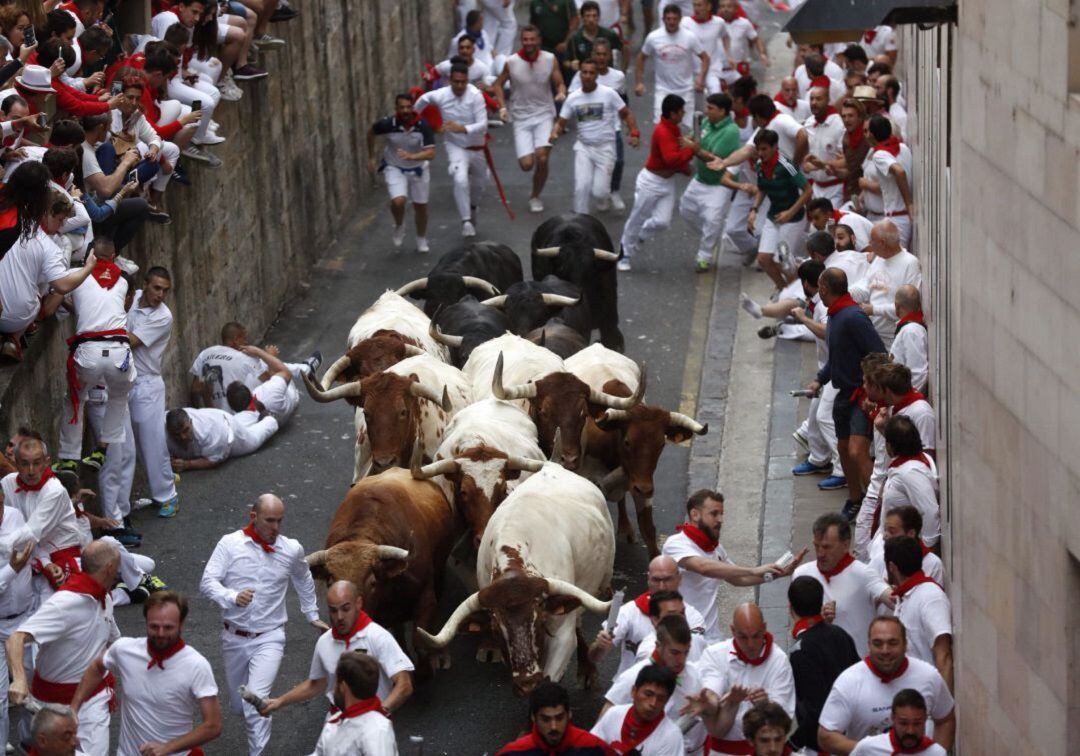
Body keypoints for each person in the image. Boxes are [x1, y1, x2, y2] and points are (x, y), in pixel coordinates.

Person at [199, 494, 326, 755]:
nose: (276, 528)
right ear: (253, 516)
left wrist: (311, 614)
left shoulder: (291, 549)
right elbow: (207, 582)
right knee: (238, 705)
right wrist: (232, 597)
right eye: (270, 521)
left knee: (255, 704)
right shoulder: (230, 544)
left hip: (270, 637)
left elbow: (303, 578)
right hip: (233, 638)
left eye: (280, 521)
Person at [71, 590, 222, 756]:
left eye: (168, 627)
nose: (161, 634)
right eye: (154, 626)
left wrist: (167, 747)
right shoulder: (124, 649)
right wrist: (74, 708)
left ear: (181, 624)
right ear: (146, 622)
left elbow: (213, 726)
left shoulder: (196, 665)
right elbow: (97, 666)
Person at [5, 540, 121, 755]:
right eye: (118, 566)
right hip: (50, 704)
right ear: (110, 568)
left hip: (93, 699)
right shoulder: (64, 603)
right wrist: (20, 679)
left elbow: (113, 641)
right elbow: (16, 637)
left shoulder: (104, 597)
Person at [260, 580, 414, 718]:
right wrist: (280, 702)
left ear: (358, 603)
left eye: (345, 609)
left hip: (373, 729)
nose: (339, 616)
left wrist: (379, 713)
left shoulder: (378, 636)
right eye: (333, 610)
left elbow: (404, 684)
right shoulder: (324, 642)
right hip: (336, 724)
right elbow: (316, 684)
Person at [662, 489, 799, 642]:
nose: (720, 520)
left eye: (721, 514)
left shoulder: (716, 549)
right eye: (714, 514)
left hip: (712, 638)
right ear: (695, 515)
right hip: (682, 638)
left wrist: (776, 574)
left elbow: (737, 579)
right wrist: (753, 570)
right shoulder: (675, 544)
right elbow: (703, 567)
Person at [808, 267, 886, 511]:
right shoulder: (835, 315)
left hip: (860, 397)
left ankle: (879, 506)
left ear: (823, 288)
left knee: (857, 451)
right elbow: (838, 357)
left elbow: (879, 353)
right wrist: (820, 379)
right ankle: (855, 500)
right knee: (843, 450)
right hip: (843, 395)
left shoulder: (853, 316)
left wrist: (871, 391)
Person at [818, 617, 955, 754]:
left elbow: (945, 719)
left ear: (905, 645)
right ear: (869, 645)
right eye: (878, 644)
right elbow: (826, 736)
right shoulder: (848, 681)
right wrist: (870, 752)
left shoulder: (928, 676)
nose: (885, 650)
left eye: (893, 643)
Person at [0, 187, 97, 359]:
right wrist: (88, 267)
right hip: (15, 317)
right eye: (60, 220)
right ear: (46, 213)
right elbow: (63, 285)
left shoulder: (14, 221)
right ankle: (14, 338)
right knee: (40, 295)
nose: (61, 226)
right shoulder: (49, 247)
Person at [695, 603, 796, 755]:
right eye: (743, 637)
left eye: (756, 636)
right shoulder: (714, 654)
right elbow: (712, 689)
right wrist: (713, 702)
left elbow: (783, 721)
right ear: (732, 630)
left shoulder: (779, 660)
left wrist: (766, 705)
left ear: (764, 628)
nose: (750, 644)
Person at [792, 513, 893, 656]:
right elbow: (797, 627)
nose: (820, 554)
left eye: (827, 547)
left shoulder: (864, 574)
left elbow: (892, 599)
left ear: (846, 545)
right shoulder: (801, 575)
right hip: (819, 666)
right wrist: (817, 621)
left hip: (857, 667)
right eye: (817, 546)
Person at [124, 265, 181, 518]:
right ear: (145, 284)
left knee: (152, 442)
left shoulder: (163, 317)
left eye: (165, 291)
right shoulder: (132, 296)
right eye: (157, 288)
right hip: (125, 380)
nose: (160, 295)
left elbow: (131, 342)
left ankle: (167, 495)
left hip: (147, 384)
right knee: (126, 446)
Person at [601, 614, 704, 752]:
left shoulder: (696, 674)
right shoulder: (633, 676)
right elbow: (605, 720)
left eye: (686, 652)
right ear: (658, 646)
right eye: (675, 653)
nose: (681, 660)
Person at [588, 555, 706, 676]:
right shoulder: (628, 612)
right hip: (633, 687)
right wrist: (600, 646)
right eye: (656, 580)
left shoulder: (693, 619)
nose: (662, 587)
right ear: (648, 579)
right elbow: (595, 657)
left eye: (667, 579)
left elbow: (695, 659)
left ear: (679, 579)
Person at [549, 57, 638, 214]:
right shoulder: (574, 98)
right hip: (584, 148)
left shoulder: (609, 94)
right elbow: (561, 121)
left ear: (597, 75)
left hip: (605, 148)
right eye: (584, 72)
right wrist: (554, 132)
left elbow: (626, 113)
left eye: (591, 72)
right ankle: (579, 219)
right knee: (581, 187)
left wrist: (634, 132)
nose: (588, 76)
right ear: (580, 75)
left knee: (599, 191)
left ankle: (604, 197)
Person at [617, 93, 694, 272]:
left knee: (662, 222)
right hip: (651, 183)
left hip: (667, 183)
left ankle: (641, 234)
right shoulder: (663, 131)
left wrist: (684, 164)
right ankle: (625, 253)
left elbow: (676, 158)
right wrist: (692, 151)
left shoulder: (674, 128)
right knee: (636, 218)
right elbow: (671, 159)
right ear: (673, 114)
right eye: (681, 111)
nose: (683, 114)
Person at [493, 26, 566, 213]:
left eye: (532, 39)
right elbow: (498, 85)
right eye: (525, 39)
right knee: (527, 165)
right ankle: (534, 171)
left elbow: (559, 81)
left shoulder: (549, 59)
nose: (529, 43)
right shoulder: (512, 62)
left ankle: (535, 195)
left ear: (539, 40)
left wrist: (561, 92)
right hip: (521, 117)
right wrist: (502, 107)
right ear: (522, 41)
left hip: (544, 114)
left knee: (542, 158)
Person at [3, 437, 90, 596]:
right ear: (15, 462)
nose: (31, 470)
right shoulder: (8, 483)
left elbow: (30, 534)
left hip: (60, 557)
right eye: (24, 463)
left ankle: (122, 588)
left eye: (36, 463)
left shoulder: (54, 490)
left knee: (65, 608)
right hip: (28, 557)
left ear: (47, 462)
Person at [414, 64, 489, 238]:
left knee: (480, 182)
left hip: (477, 146)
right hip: (455, 146)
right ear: (450, 81)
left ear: (467, 81)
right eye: (456, 82)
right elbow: (423, 100)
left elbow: (483, 124)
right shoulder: (440, 95)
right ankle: (466, 221)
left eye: (463, 82)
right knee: (460, 179)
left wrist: (462, 128)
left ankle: (472, 207)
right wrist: (416, 121)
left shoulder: (476, 96)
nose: (460, 86)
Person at [786, 576, 859, 754]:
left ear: (791, 608)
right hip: (851, 736)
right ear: (820, 604)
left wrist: (792, 744)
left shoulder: (800, 651)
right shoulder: (840, 634)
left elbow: (814, 710)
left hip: (823, 745)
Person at [678, 92, 742, 271]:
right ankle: (712, 235)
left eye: (710, 108)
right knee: (685, 209)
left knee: (712, 219)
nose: (707, 111)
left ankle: (704, 256)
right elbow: (692, 138)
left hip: (719, 183)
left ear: (722, 111)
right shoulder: (706, 122)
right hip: (701, 178)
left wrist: (695, 149)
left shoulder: (731, 131)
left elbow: (715, 158)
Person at [367, 94, 436, 253]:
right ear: (396, 109)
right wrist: (371, 157)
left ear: (413, 107)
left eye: (408, 107)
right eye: (402, 107)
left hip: (418, 168)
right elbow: (371, 133)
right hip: (394, 167)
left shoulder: (423, 126)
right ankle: (399, 224)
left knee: (421, 206)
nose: (405, 110)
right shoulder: (387, 124)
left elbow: (431, 153)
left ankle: (421, 238)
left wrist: (413, 156)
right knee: (398, 201)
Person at [568, 38, 629, 211]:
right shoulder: (582, 75)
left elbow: (624, 99)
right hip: (589, 130)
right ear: (592, 54)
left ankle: (613, 191)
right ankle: (592, 199)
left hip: (612, 128)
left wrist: (627, 123)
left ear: (610, 56)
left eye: (604, 54)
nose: (601, 58)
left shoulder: (618, 77)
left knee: (619, 161)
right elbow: (573, 100)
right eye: (597, 54)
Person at [748, 128, 812, 290]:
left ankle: (800, 294)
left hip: (794, 218)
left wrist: (789, 212)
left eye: (764, 149)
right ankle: (785, 291)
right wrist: (754, 210)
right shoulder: (760, 166)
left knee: (783, 261)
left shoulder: (786, 165)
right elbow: (762, 189)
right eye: (758, 149)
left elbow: (807, 190)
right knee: (763, 259)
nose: (761, 153)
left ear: (775, 147)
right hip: (774, 216)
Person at [884, 537, 952, 687]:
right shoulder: (905, 595)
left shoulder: (930, 597)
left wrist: (944, 709)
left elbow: (944, 656)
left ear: (892, 567)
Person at [308, 651, 399, 756]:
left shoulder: (377, 730)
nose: (333, 689)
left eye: (336, 682)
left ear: (343, 686)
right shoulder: (334, 722)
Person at [850, 221, 922, 347]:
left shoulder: (910, 264)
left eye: (872, 240)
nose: (869, 244)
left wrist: (874, 310)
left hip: (893, 339)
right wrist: (847, 292)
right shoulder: (879, 258)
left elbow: (909, 308)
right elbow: (866, 285)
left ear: (882, 243)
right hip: (871, 331)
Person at [635, 5, 708, 128]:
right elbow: (641, 57)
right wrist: (639, 82)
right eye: (668, 19)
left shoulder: (689, 37)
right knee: (660, 127)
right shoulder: (654, 37)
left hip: (685, 90)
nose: (671, 22)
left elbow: (705, 58)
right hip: (663, 90)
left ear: (680, 19)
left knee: (688, 127)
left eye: (674, 19)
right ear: (663, 19)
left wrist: (701, 78)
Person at [0, 491, 34, 749]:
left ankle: (28, 743)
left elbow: (34, 546)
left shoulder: (15, 517)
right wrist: (13, 569)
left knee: (29, 692)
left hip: (25, 619)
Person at [496, 680, 610, 754]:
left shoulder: (594, 748)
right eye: (546, 719)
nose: (554, 727)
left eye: (559, 718)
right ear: (533, 718)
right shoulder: (513, 753)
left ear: (569, 714)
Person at [590, 665, 685, 754]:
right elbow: (590, 748)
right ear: (633, 691)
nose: (653, 703)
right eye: (648, 694)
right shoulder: (613, 714)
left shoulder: (671, 738)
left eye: (661, 699)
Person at [877, 416, 939, 547]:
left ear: (890, 446)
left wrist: (925, 551)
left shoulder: (911, 472)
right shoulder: (907, 464)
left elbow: (930, 512)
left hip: (902, 551)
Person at [166, 406, 279, 474]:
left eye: (186, 430)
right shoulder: (161, 427)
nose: (183, 437)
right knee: (240, 422)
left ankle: (270, 419)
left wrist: (187, 465)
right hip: (214, 416)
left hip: (228, 432)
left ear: (190, 422)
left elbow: (213, 460)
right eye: (177, 434)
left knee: (253, 440)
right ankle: (251, 414)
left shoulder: (210, 433)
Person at [189, 321, 270, 411]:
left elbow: (195, 389)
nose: (246, 342)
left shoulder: (205, 354)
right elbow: (269, 380)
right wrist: (267, 356)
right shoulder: (245, 358)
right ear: (235, 340)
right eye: (244, 338)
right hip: (236, 416)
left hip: (210, 414)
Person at [858, 116, 913, 245]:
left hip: (896, 218)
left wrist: (908, 203)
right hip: (900, 217)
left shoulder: (879, 155)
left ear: (871, 135)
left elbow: (899, 171)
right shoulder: (902, 148)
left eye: (867, 131)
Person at [849, 689, 947, 755]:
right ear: (893, 718)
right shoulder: (867, 748)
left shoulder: (937, 753)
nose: (910, 731)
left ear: (925, 719)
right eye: (903, 723)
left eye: (917, 723)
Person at [226, 344, 305, 423]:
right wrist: (261, 353)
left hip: (275, 407)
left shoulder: (237, 421)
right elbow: (284, 373)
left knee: (256, 369)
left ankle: (303, 368)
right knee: (262, 364)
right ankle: (305, 368)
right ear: (250, 393)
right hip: (288, 389)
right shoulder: (269, 394)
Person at [867, 505, 944, 584]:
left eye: (892, 532)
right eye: (885, 530)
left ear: (911, 534)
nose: (884, 537)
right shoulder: (880, 559)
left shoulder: (933, 564)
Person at [629, 589, 709, 664]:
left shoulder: (697, 641)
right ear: (655, 620)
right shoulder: (648, 652)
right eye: (672, 614)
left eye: (682, 613)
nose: (680, 618)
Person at [802, 83, 846, 206]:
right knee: (817, 225)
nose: (814, 102)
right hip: (815, 188)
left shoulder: (839, 125)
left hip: (835, 189)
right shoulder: (808, 123)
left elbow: (846, 160)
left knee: (831, 224)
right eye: (812, 99)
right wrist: (804, 163)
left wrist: (818, 166)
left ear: (828, 100)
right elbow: (806, 153)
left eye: (818, 99)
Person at [680, 0, 728, 95]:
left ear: (708, 6)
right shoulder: (685, 23)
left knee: (716, 95)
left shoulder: (719, 22)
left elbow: (726, 37)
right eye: (694, 5)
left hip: (712, 70)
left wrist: (728, 54)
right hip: (691, 71)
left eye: (699, 5)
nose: (696, 8)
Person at [715, 0, 765, 89]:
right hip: (718, 71)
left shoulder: (744, 23)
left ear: (736, 8)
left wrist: (762, 54)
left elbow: (756, 39)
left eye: (729, 6)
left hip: (738, 70)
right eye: (722, 6)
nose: (725, 9)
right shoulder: (714, 23)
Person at [888, 284, 928, 392]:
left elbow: (918, 373)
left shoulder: (911, 331)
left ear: (897, 306)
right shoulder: (909, 329)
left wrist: (907, 401)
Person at [566, 1, 625, 71]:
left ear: (598, 17)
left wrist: (623, 70)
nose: (591, 20)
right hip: (585, 78)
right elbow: (565, 60)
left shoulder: (609, 35)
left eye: (594, 16)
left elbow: (625, 49)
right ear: (582, 18)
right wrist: (571, 64)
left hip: (606, 77)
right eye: (588, 16)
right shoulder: (575, 38)